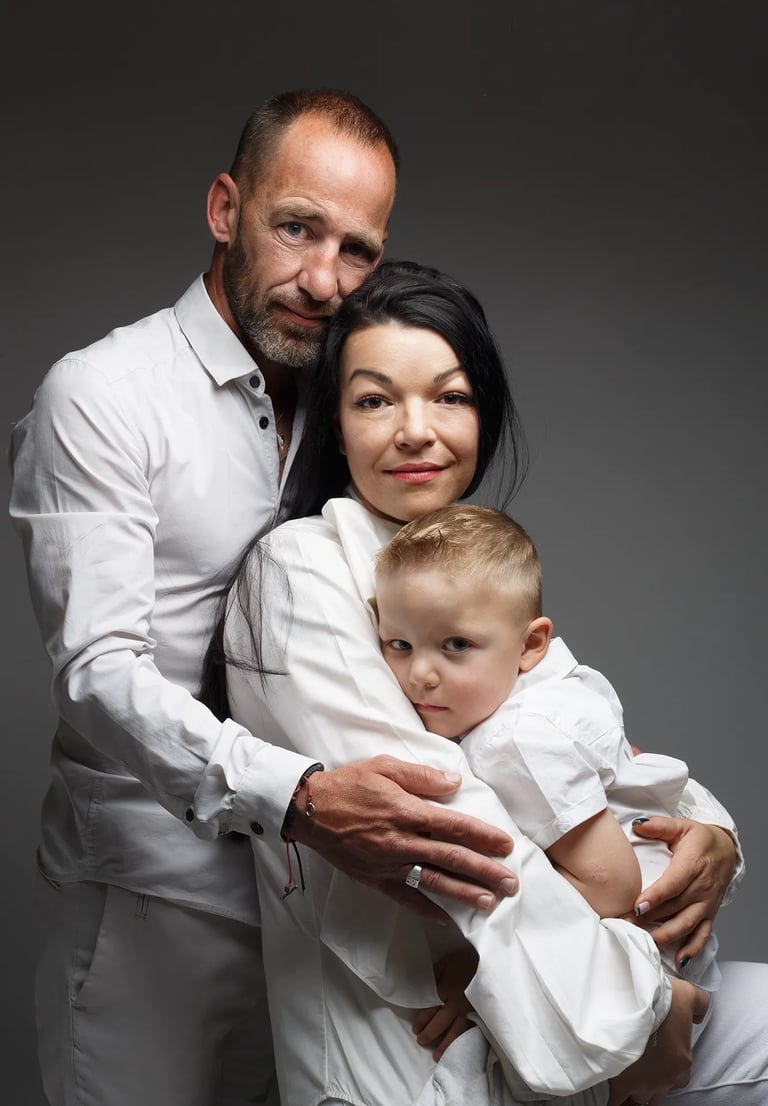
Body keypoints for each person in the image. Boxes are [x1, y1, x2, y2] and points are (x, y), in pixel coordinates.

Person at [8, 90, 522, 1106]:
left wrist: (674, 813)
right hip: (156, 913)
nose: (323, 279)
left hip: (323, 922)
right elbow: (98, 674)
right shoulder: (101, 395)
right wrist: (302, 796)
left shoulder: (361, 406)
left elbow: (472, 633)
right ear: (224, 208)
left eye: (358, 250)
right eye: (296, 228)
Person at [218, 259, 767, 1106]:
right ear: (334, 422)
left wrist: (714, 839)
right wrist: (653, 1012)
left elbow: (596, 750)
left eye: (451, 396)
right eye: (373, 400)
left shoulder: (467, 568)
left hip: (548, 1013)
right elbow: (456, 824)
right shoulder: (302, 567)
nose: (415, 430)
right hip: (412, 1051)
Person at [373, 503, 721, 1055]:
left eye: (456, 645)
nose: (421, 674)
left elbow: (611, 887)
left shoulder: (517, 739)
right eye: (400, 645)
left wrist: (481, 970)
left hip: (640, 958)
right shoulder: (553, 686)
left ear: (532, 645)